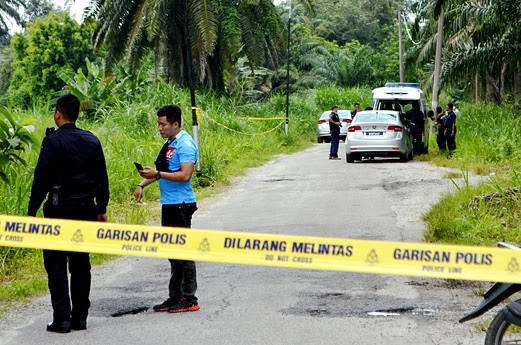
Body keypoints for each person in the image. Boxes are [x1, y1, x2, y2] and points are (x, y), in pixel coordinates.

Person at [27, 94, 110, 333]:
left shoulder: (53, 142)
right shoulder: (91, 140)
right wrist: (102, 208)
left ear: (57, 113)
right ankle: (80, 318)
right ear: (77, 114)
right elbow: (101, 178)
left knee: (55, 262)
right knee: (80, 262)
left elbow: (41, 179)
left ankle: (62, 319)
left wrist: (32, 211)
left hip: (59, 208)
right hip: (86, 208)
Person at [134, 104, 200, 313]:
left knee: (183, 252)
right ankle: (175, 295)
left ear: (175, 124)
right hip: (169, 204)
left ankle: (190, 298)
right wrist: (142, 184)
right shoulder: (170, 143)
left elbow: (185, 175)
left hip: (181, 204)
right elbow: (162, 170)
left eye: (163, 124)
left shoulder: (186, 144)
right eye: (158, 124)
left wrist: (158, 174)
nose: (160, 128)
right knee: (172, 252)